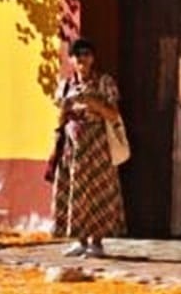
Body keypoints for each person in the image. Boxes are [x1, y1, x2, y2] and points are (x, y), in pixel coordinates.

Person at [50, 38, 126, 258]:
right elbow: (60, 116)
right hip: (73, 147)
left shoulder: (104, 82)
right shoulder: (65, 85)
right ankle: (80, 240)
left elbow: (113, 115)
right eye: (77, 55)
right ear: (71, 59)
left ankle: (97, 242)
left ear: (93, 58)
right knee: (76, 190)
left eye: (86, 54)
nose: (82, 58)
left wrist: (93, 103)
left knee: (98, 190)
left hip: (98, 146)